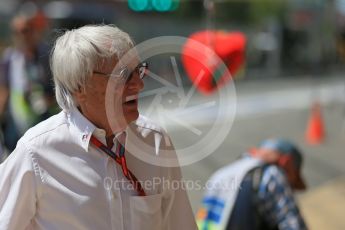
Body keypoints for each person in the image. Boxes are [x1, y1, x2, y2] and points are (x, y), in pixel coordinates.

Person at [0, 24, 197, 230]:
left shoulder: (155, 141)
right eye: (123, 75)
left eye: (139, 71)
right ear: (79, 87)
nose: (139, 84)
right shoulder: (36, 153)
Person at [196, 139, 308, 230]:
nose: (291, 190)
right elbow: (294, 225)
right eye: (292, 184)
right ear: (286, 162)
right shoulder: (271, 174)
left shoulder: (220, 175)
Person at [0, 12, 56, 152]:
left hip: (43, 122)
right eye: (16, 32)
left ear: (33, 31)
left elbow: (59, 88)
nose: (21, 36)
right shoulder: (9, 58)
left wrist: (48, 100)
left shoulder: (46, 55)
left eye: (25, 30)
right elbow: (4, 89)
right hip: (16, 124)